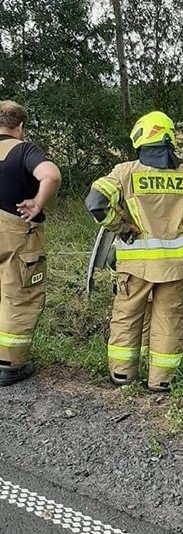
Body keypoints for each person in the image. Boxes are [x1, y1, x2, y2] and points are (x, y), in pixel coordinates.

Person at [85, 111, 183, 392]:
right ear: (169, 138)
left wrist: (123, 227)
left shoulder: (125, 172)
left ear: (141, 137)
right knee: (168, 319)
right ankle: (160, 381)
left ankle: (122, 376)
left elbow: (95, 202)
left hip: (135, 266)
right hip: (175, 266)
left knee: (128, 317)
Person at [0, 100, 61, 386]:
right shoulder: (23, 150)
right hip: (15, 235)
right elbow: (50, 175)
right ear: (20, 126)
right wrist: (37, 202)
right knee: (19, 295)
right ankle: (9, 365)